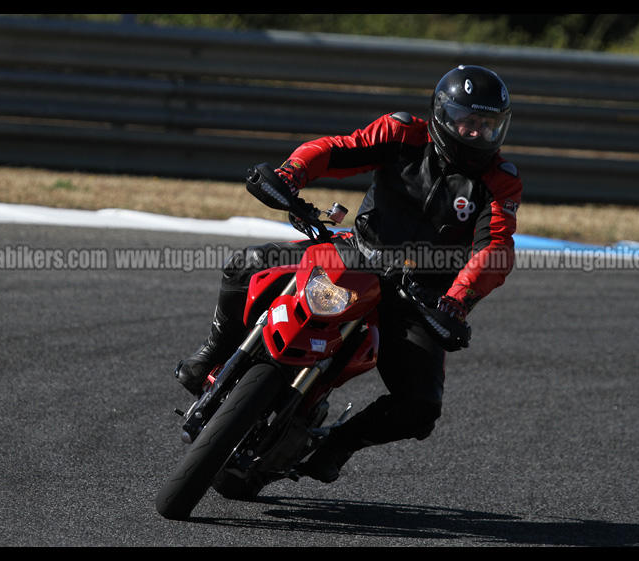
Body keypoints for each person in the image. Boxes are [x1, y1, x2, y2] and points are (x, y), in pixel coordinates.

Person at [175, 65, 523, 483]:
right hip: (356, 253)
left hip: (419, 295)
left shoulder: (499, 181)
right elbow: (337, 149)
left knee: (422, 406)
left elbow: (495, 249)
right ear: (443, 116)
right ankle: (213, 351)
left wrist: (456, 300)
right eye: (468, 122)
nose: (476, 134)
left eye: (488, 126)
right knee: (246, 264)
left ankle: (339, 444)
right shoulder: (402, 134)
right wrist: (291, 174)